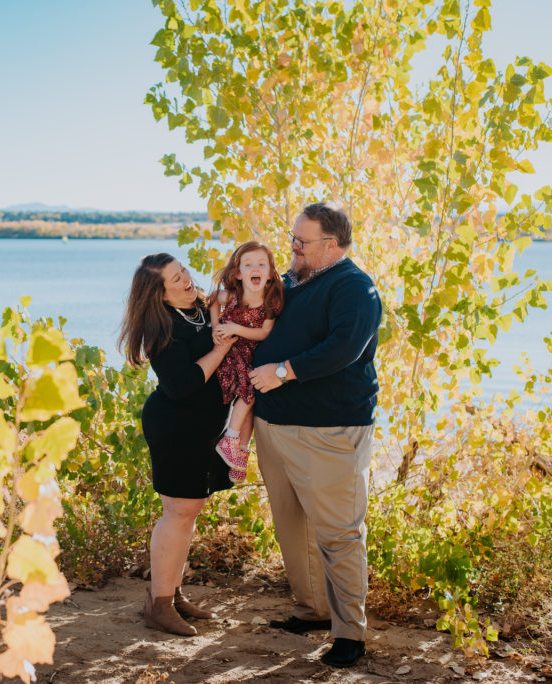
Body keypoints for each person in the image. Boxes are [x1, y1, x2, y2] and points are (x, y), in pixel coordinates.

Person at [248, 202, 382, 668]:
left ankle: (350, 634)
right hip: (274, 428)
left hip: (329, 432)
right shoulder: (291, 283)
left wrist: (283, 371)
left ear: (332, 245)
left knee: (339, 533)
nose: (292, 247)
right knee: (291, 528)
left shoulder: (355, 288)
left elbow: (345, 348)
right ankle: (312, 611)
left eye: (301, 242)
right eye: (292, 238)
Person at [119, 253, 237, 637]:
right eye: (175, 279)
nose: (186, 279)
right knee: (178, 511)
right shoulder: (161, 329)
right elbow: (182, 385)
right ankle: (159, 605)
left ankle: (172, 592)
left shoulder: (202, 307)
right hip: (175, 426)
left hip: (203, 426)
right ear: (160, 294)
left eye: (183, 270)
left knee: (190, 509)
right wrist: (220, 350)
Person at [209, 241, 284, 483]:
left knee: (250, 401)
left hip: (250, 353)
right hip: (231, 353)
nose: (256, 268)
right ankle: (230, 438)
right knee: (249, 390)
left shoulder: (270, 301)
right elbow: (212, 300)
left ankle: (239, 449)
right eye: (248, 264)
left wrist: (234, 327)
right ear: (239, 274)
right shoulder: (234, 295)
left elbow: (264, 333)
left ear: (270, 273)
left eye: (262, 264)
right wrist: (216, 327)